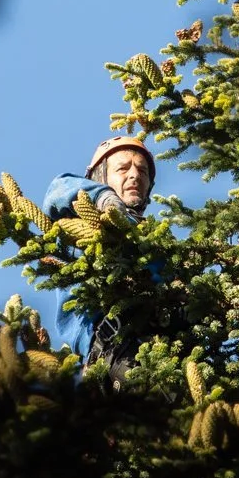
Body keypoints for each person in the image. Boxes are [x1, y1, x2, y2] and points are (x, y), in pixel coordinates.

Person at [43, 136, 156, 367]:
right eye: (123, 168)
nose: (135, 175)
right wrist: (103, 197)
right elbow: (58, 189)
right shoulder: (83, 220)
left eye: (143, 171)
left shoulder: (152, 240)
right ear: (99, 178)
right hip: (111, 350)